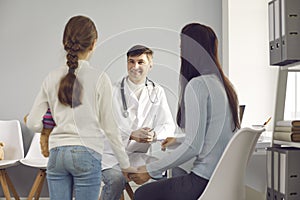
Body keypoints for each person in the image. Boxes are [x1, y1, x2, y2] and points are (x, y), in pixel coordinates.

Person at [26, 15, 132, 200]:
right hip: (87, 153)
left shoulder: (51, 77)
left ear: (64, 42)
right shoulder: (100, 79)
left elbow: (33, 123)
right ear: (93, 44)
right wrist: (124, 164)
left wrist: (50, 126)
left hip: (57, 155)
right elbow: (110, 129)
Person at [131, 23, 240, 200]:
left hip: (202, 181)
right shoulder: (224, 86)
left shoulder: (197, 86)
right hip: (220, 179)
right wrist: (180, 139)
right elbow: (212, 136)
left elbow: (193, 147)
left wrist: (150, 171)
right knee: (176, 170)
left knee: (142, 193)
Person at [100, 45, 176, 200]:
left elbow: (169, 126)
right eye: (131, 62)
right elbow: (100, 128)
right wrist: (130, 134)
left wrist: (154, 135)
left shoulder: (157, 91)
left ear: (150, 64)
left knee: (165, 174)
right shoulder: (111, 91)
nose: (135, 67)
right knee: (116, 180)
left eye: (140, 62)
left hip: (138, 155)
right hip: (110, 157)